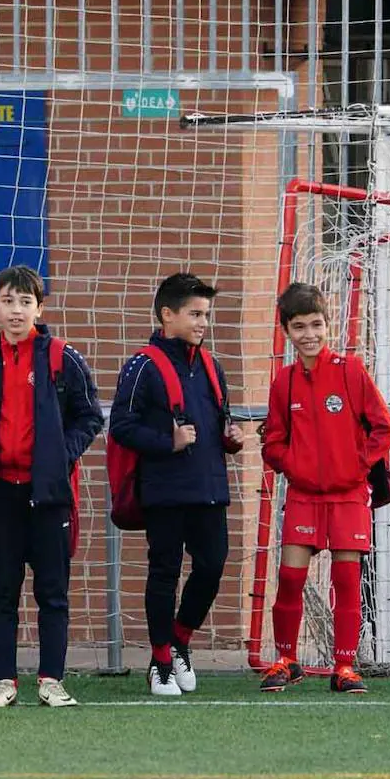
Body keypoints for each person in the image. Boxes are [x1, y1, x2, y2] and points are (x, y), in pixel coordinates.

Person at [0, 265, 104, 708]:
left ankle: (51, 679)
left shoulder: (62, 357)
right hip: (3, 492)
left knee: (52, 592)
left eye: (26, 302)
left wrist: (62, 454)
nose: (17, 310)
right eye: (8, 301)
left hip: (49, 494)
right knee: (2, 590)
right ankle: (3, 679)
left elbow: (90, 416)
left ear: (40, 308)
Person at [108, 273, 245, 697]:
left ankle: (180, 640)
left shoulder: (211, 366)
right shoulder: (142, 365)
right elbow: (121, 426)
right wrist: (169, 442)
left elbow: (217, 419)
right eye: (195, 314)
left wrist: (231, 438)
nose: (204, 322)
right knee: (164, 572)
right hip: (164, 490)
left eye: (207, 314)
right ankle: (161, 660)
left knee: (212, 565)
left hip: (208, 487)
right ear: (168, 315)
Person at [259, 282, 390, 694]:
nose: (309, 335)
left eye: (316, 324)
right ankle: (285, 659)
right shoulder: (283, 382)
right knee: (289, 577)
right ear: (287, 331)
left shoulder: (350, 371)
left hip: (348, 495)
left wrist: (356, 466)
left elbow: (383, 428)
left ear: (327, 325)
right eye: (299, 327)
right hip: (303, 495)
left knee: (347, 581)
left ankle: (345, 666)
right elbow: (273, 442)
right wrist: (292, 465)